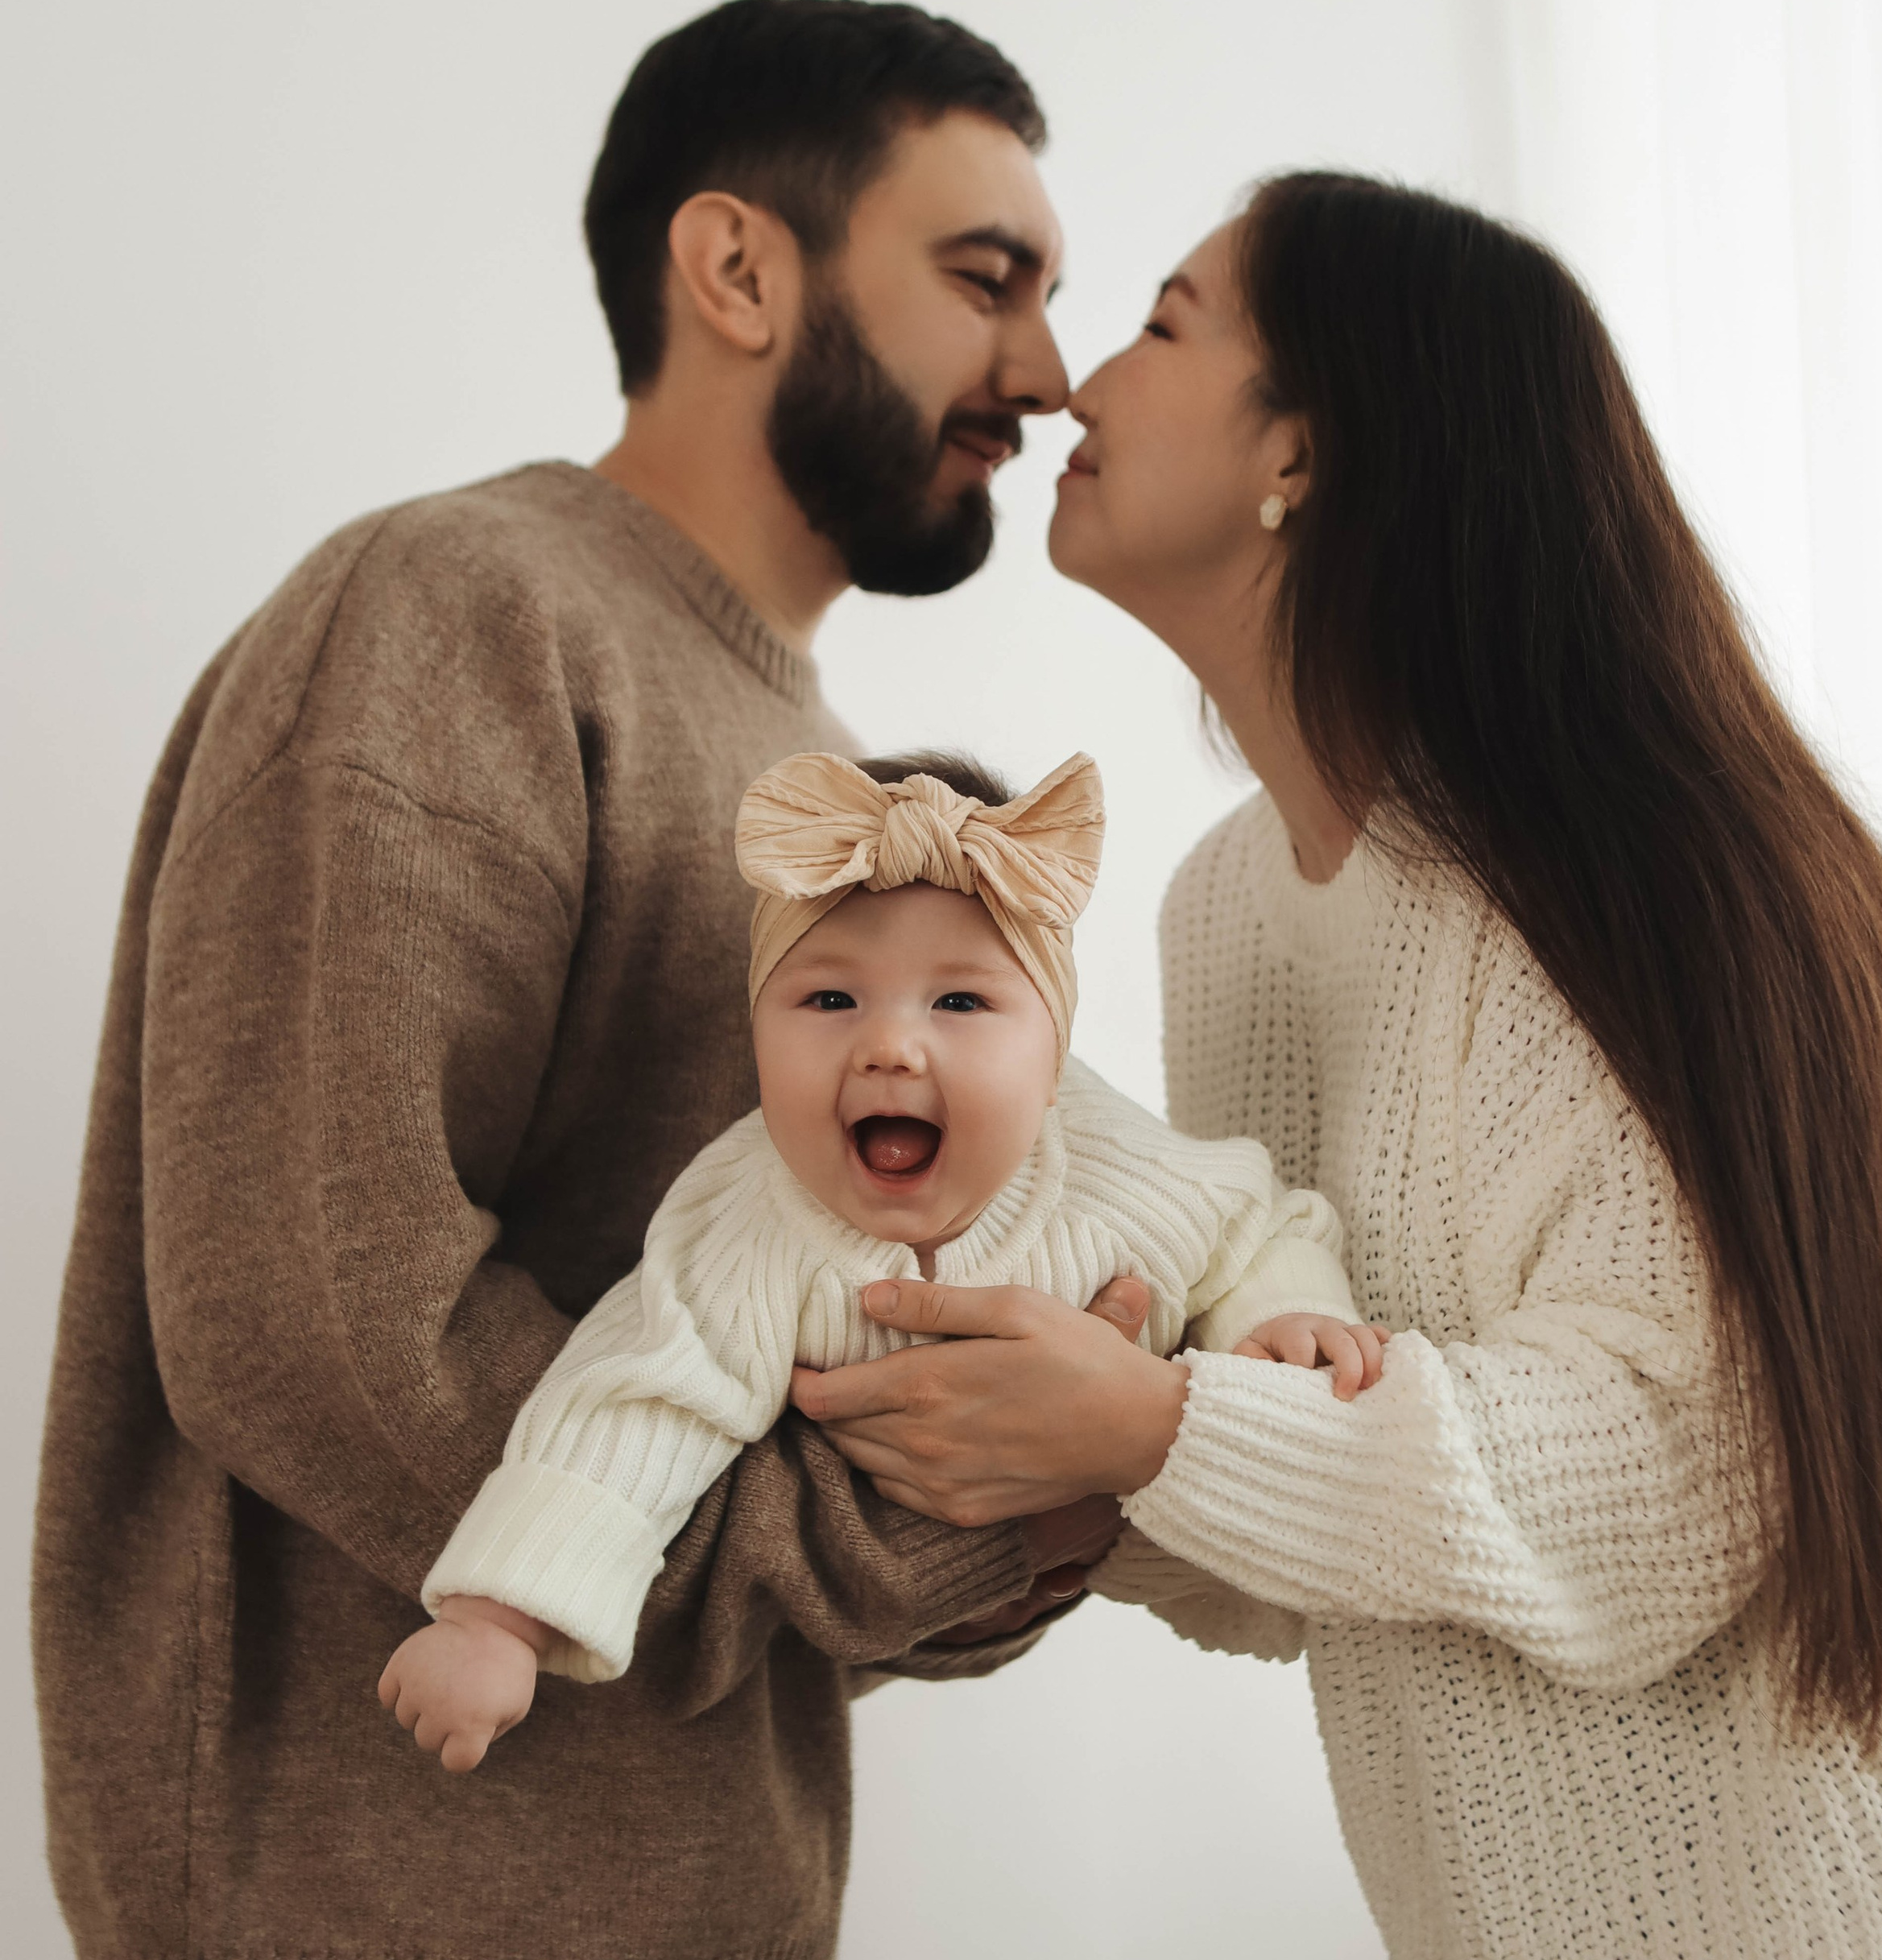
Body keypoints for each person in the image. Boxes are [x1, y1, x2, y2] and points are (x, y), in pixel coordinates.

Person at [793, 176, 1882, 1960]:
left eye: (1163, 319)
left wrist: (1159, 1425)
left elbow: (1682, 1471)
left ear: (1311, 450)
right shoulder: (1231, 913)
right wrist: (1086, 1464)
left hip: (1842, 1946)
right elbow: (1367, 1510)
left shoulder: (1618, 866)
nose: (1078, 369)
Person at [33, 0, 1106, 1960]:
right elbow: (314, 1303)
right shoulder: (457, 614)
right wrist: (858, 1559)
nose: (1048, 369)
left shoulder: (806, 745)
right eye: (984, 273)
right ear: (735, 264)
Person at [378, 745, 1379, 1770]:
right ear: (756, 1035)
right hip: (990, 1575)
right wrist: (499, 1620)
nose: (890, 1047)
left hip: (1195, 1511)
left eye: (959, 1004)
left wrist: (1280, 1316)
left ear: (1052, 1060)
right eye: (829, 1002)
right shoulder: (747, 1223)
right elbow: (633, 1401)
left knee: (1305, 1556)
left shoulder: (1115, 1170)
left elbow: (1251, 1225)